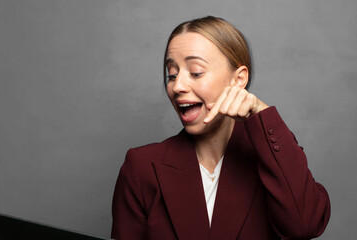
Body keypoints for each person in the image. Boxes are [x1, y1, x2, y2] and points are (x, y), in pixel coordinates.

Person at [111, 16, 330, 240]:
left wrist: (262, 114)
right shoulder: (141, 167)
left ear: (238, 79)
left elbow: (304, 225)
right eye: (172, 75)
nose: (177, 86)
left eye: (195, 72)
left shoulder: (273, 157)